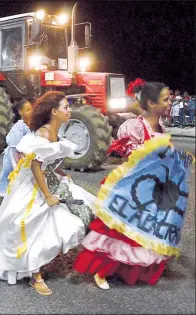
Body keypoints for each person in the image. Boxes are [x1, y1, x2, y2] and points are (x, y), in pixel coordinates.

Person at [0, 91, 86, 296]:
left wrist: (61, 176)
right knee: (31, 226)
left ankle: (37, 265)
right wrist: (48, 196)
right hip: (32, 185)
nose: (69, 111)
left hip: (43, 181)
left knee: (60, 225)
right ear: (54, 112)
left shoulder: (55, 132)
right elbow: (36, 167)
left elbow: (49, 162)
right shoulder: (43, 134)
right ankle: (35, 276)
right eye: (65, 107)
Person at [74, 81, 173, 289]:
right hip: (133, 186)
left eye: (170, 98)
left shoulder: (160, 126)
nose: (170, 102)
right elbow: (132, 159)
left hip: (153, 187)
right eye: (165, 99)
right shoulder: (136, 126)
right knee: (119, 231)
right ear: (151, 103)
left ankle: (127, 270)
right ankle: (102, 270)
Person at [0, 98, 33, 197]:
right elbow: (14, 143)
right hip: (15, 153)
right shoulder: (19, 126)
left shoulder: (32, 124)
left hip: (27, 153)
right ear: (21, 112)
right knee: (10, 171)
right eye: (28, 110)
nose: (31, 112)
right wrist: (19, 155)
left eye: (31, 109)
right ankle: (4, 191)